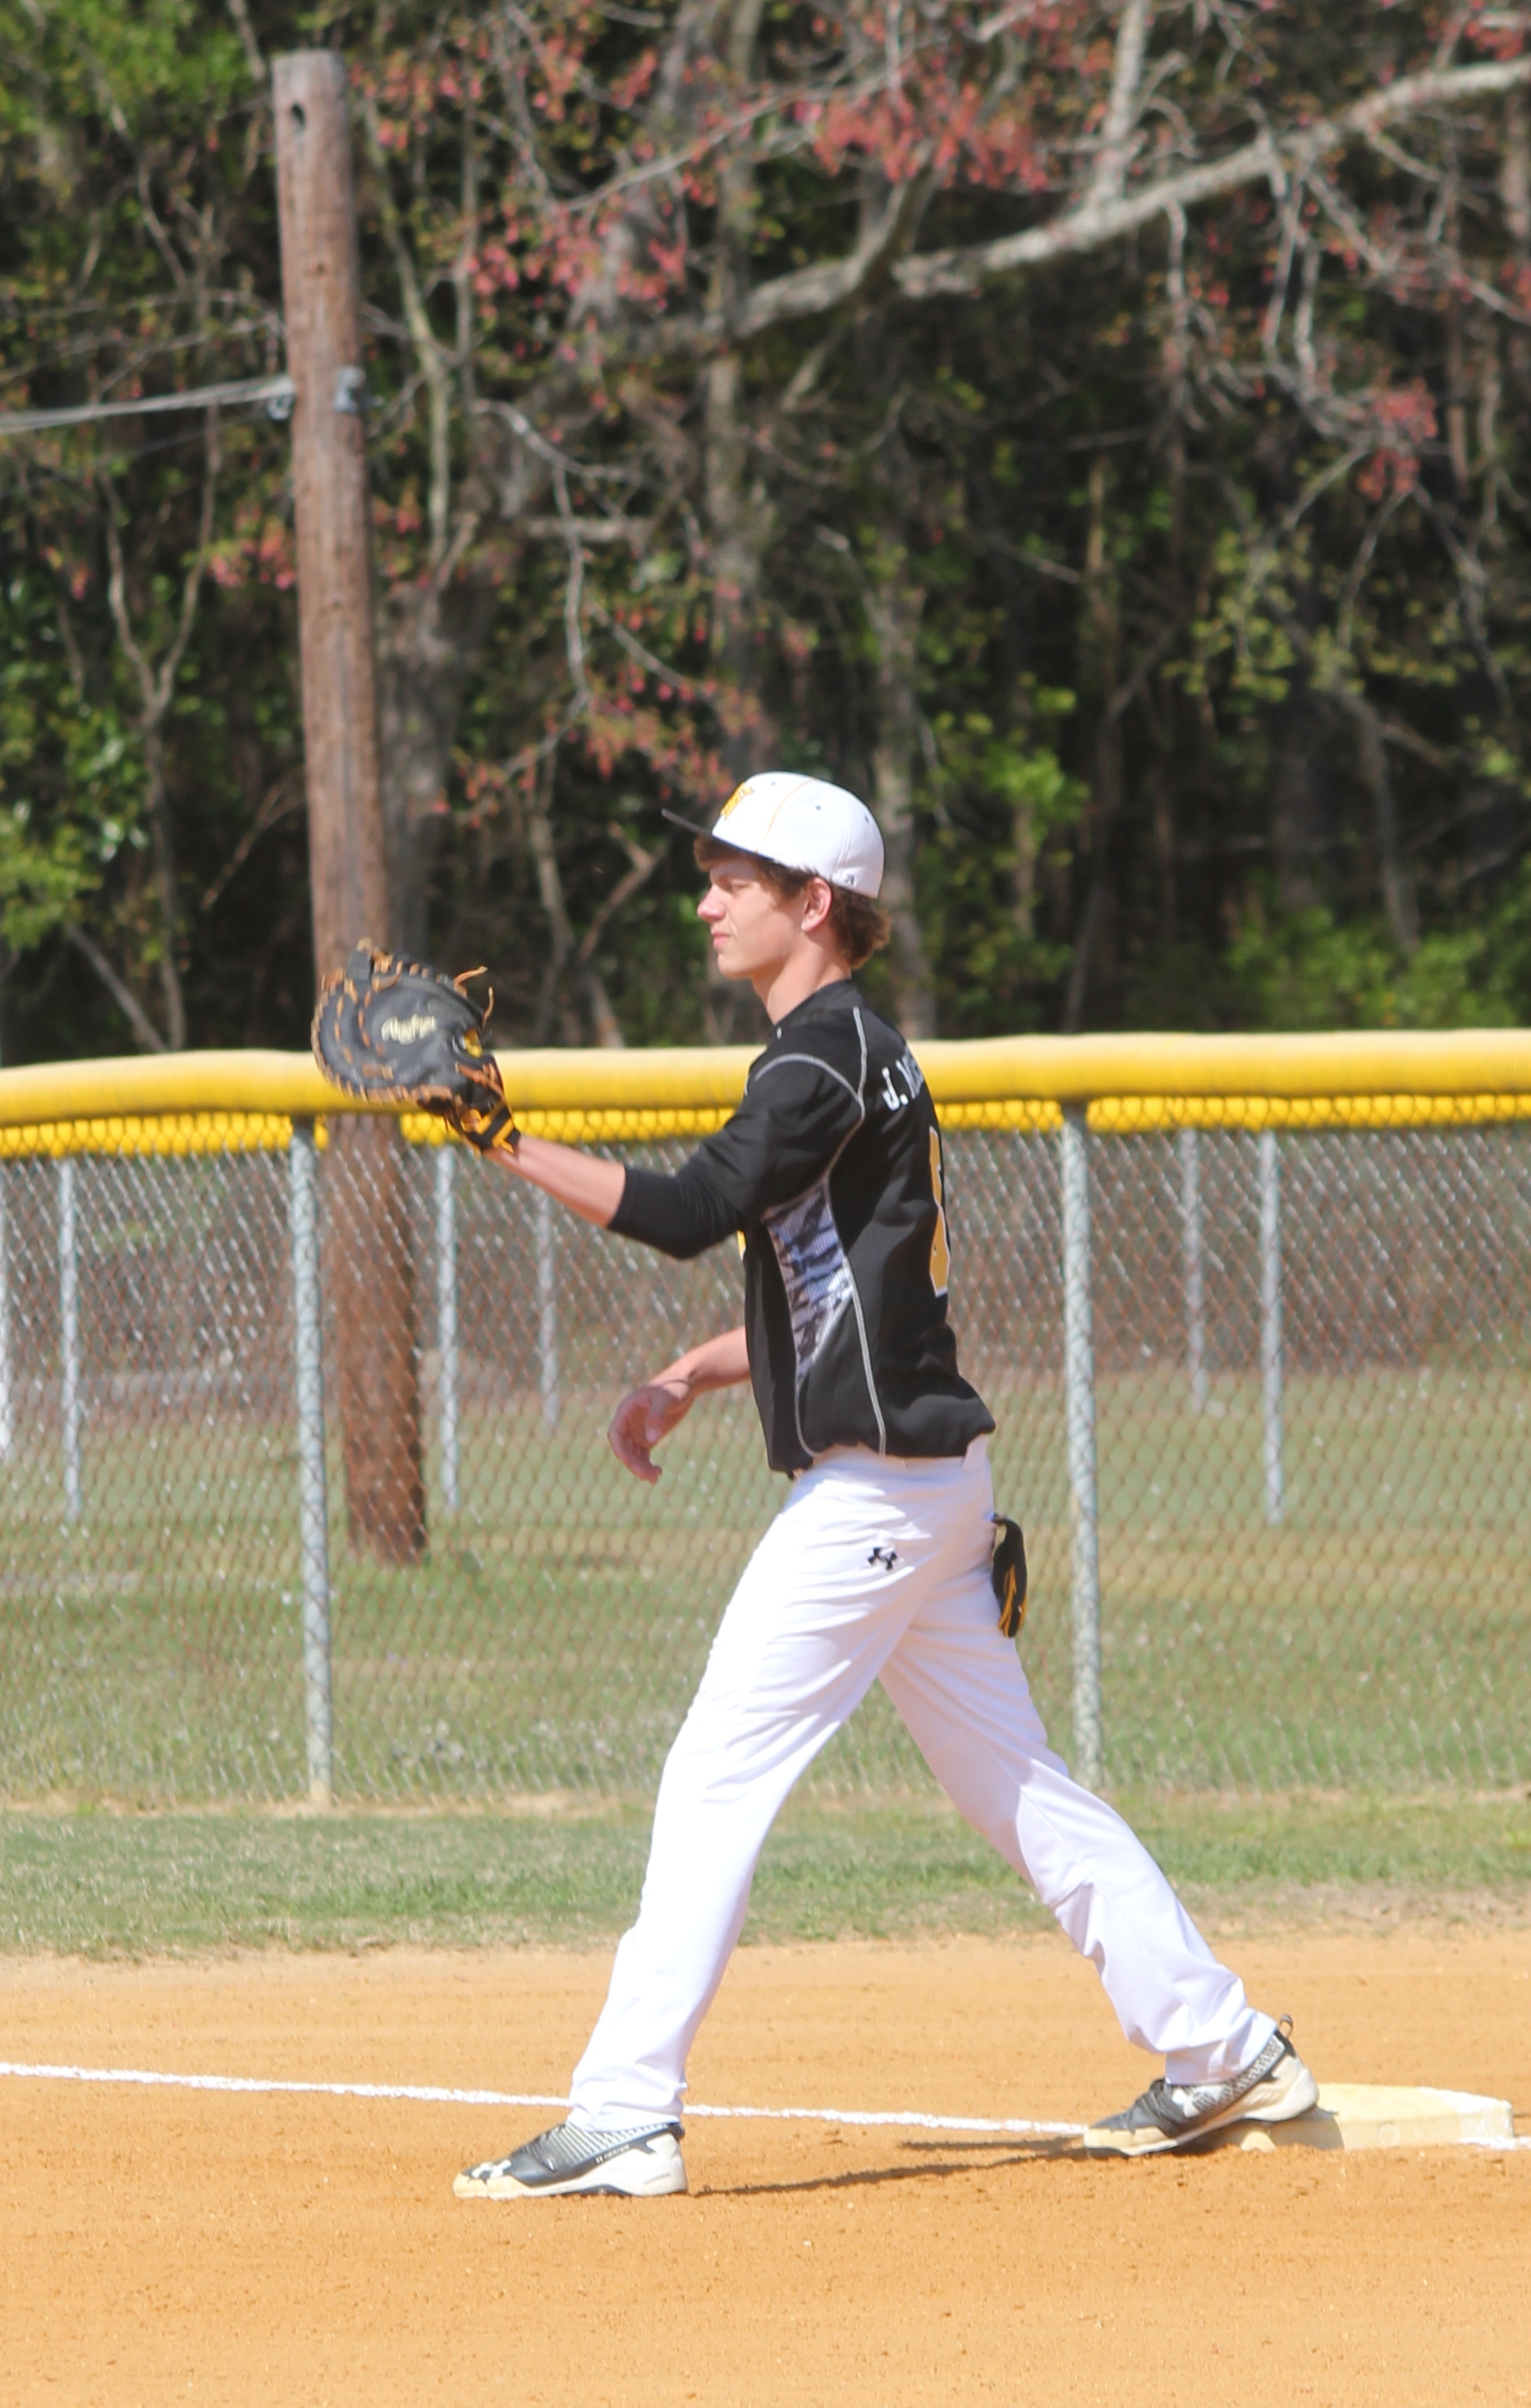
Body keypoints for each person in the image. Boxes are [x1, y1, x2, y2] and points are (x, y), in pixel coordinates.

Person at [456, 772, 1315, 2199]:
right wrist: (700, 1371)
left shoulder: (817, 1058)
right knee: (1020, 1789)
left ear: (816, 904)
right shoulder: (851, 1052)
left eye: (737, 878)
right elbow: (853, 1289)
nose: (706, 897)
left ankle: (622, 2111)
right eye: (710, 873)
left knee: (715, 1774)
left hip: (871, 1499)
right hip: (923, 1485)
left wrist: (497, 1135)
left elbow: (687, 1211)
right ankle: (1218, 2047)